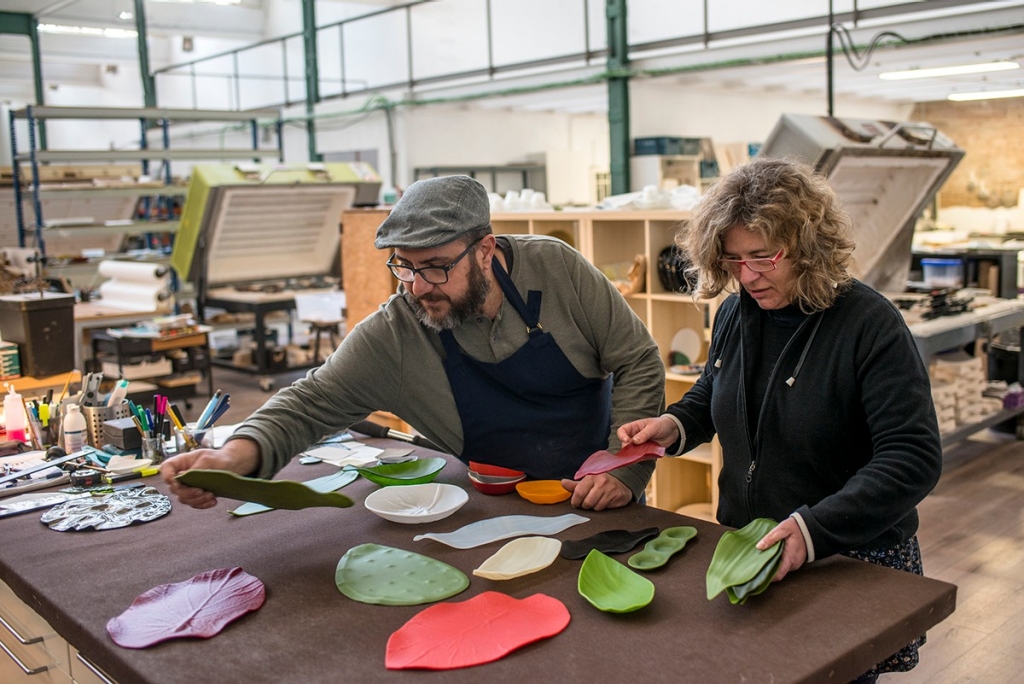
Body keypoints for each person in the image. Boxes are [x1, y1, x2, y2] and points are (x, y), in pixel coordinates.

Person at [618, 157, 942, 683]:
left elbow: (913, 459)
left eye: (764, 257)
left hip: (845, 555)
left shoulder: (868, 325)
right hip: (752, 547)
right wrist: (675, 426)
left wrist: (813, 529)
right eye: (733, 259)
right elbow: (715, 391)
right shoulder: (735, 312)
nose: (747, 276)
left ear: (808, 246)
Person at [162, 175, 666, 510]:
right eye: (404, 265)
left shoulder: (559, 271)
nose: (418, 286)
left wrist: (623, 472)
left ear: (485, 250)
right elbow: (311, 402)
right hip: (488, 509)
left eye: (436, 267)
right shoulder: (399, 330)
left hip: (596, 497)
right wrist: (234, 458)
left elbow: (638, 362)